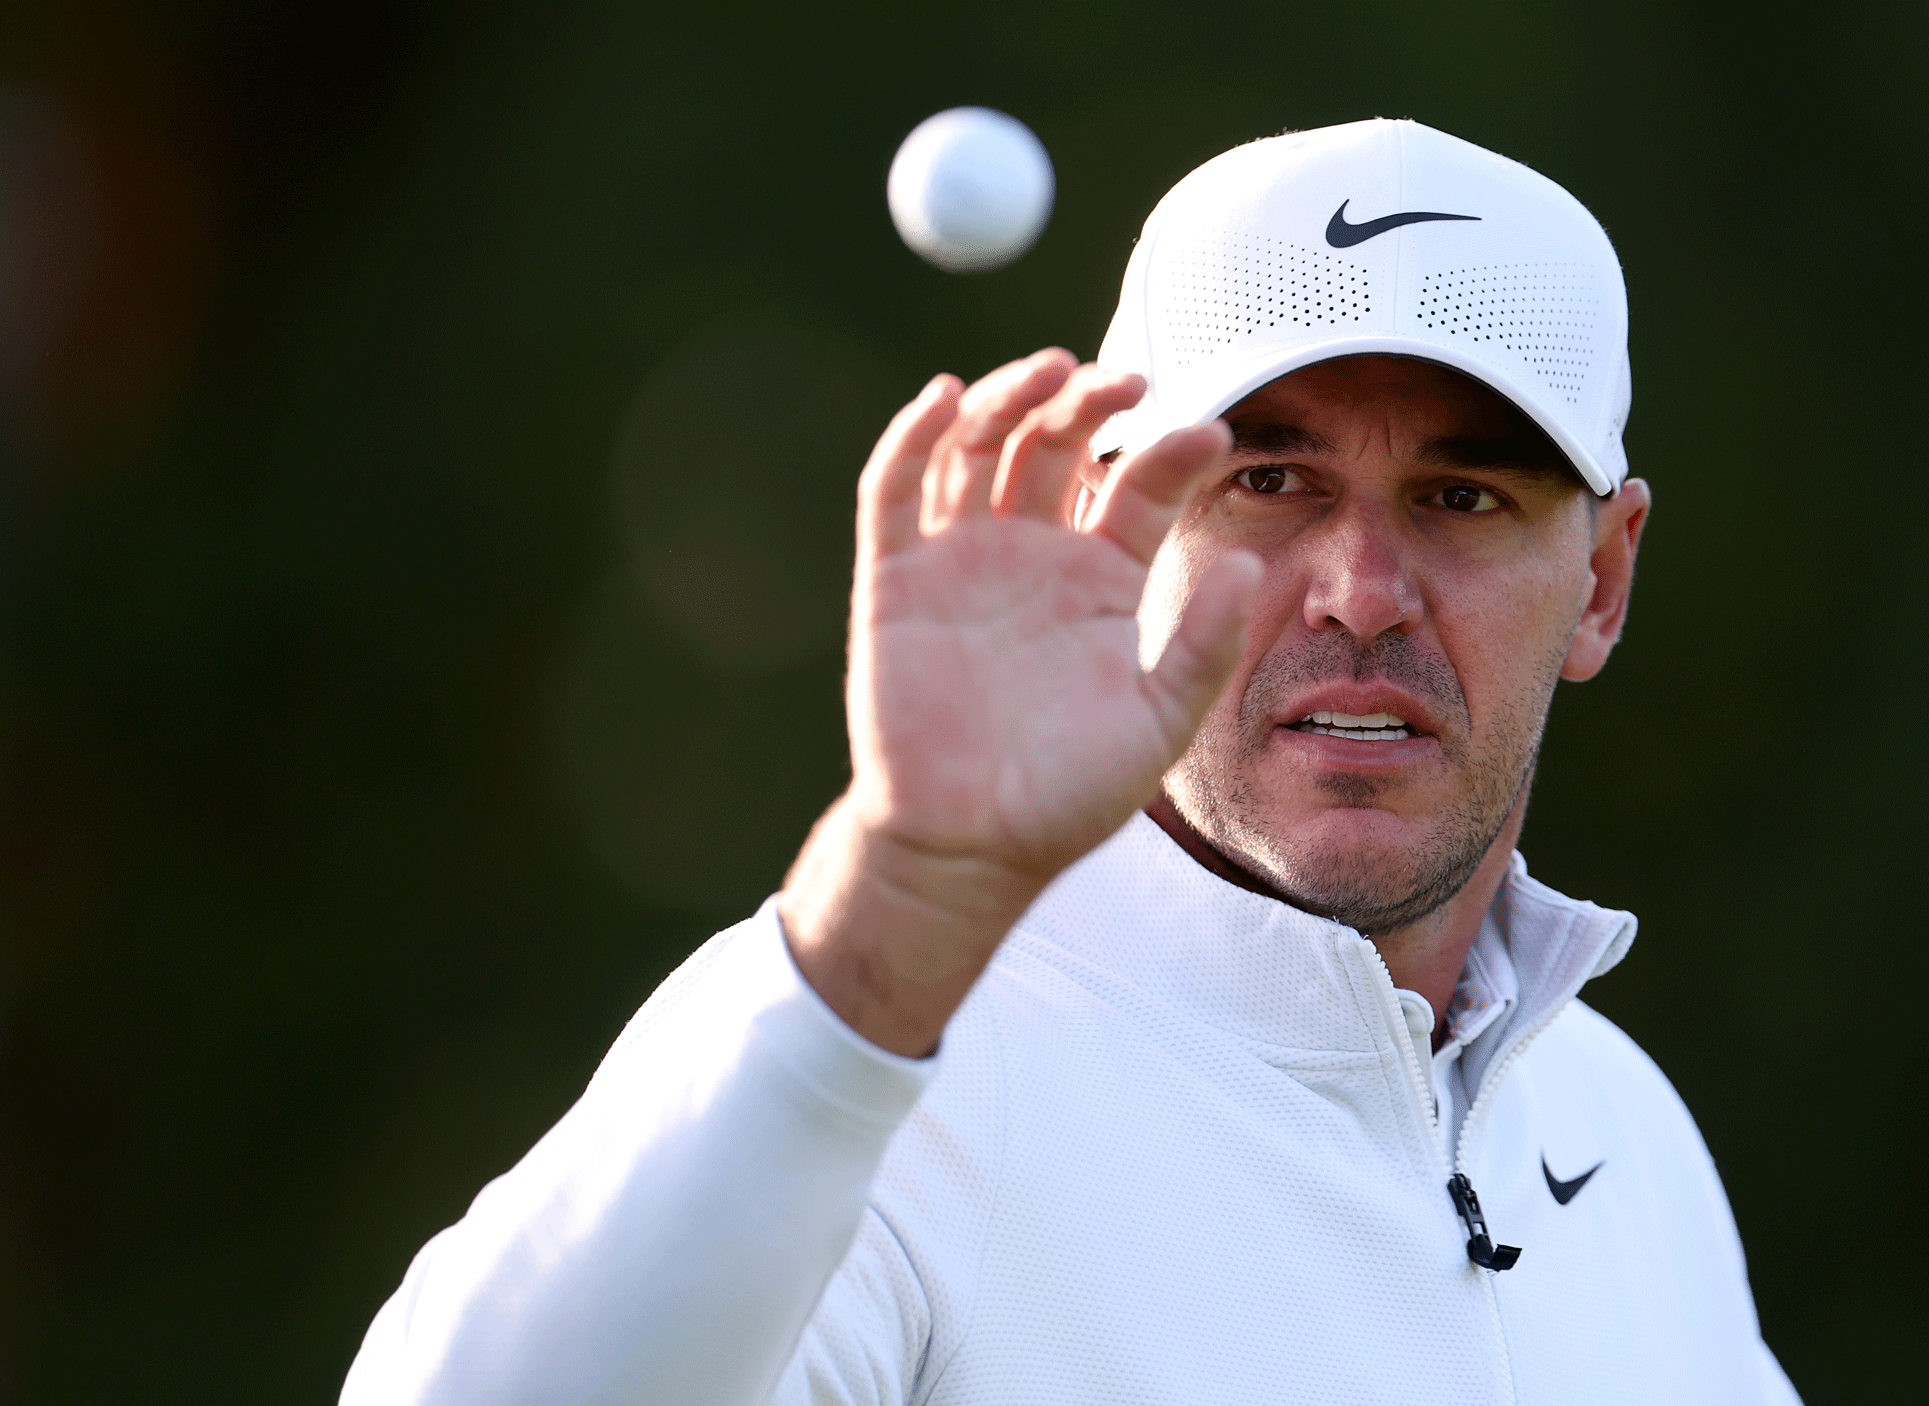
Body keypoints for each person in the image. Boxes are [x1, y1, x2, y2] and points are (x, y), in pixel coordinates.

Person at [341, 118, 1801, 1406]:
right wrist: (895, 905)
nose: (1362, 585)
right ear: (1121, 515)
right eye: (1270, 480)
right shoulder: (879, 1054)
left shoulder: (1620, 1128)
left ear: (1603, 579)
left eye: (1463, 495)